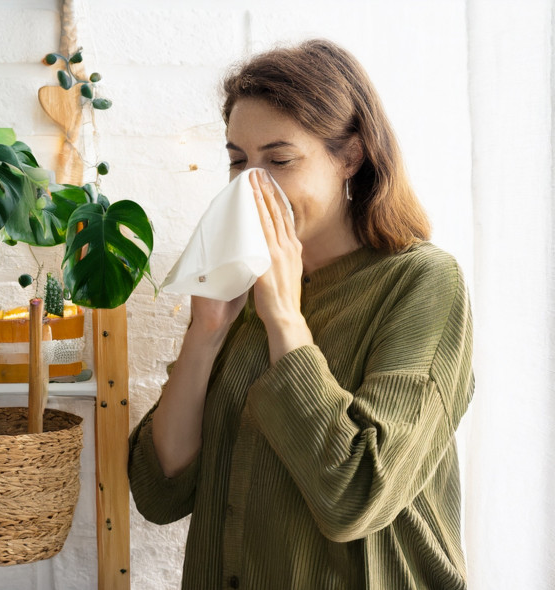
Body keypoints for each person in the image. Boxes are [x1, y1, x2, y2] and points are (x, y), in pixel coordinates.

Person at [128, 39, 474, 589]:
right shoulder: (239, 289)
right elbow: (158, 491)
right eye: (238, 161)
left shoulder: (422, 282)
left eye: (279, 160)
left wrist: (284, 318)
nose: (251, 185)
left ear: (350, 157)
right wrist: (205, 333)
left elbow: (355, 496)